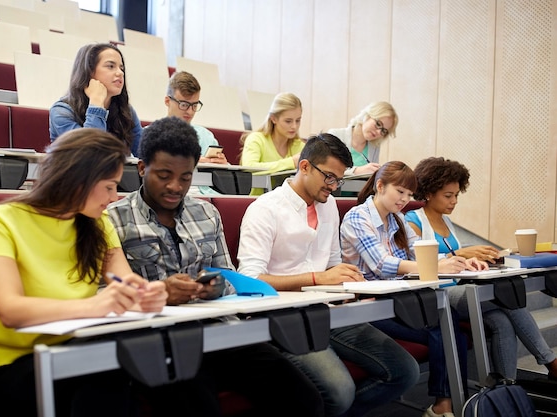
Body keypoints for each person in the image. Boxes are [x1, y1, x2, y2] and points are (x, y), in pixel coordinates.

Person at [107, 116, 324, 417]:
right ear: (142, 168)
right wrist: (161, 293)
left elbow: (231, 279)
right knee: (199, 405)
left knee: (304, 400)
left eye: (185, 177)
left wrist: (215, 287)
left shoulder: (207, 213)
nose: (175, 186)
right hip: (158, 341)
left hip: (219, 332)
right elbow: (104, 293)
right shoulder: (114, 218)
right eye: (164, 175)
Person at [0, 128, 168, 417]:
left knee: (121, 374)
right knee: (106, 382)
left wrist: (146, 297)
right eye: (109, 186)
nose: (114, 197)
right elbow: (9, 310)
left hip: (72, 352)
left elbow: (124, 287)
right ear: (78, 180)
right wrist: (92, 306)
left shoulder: (97, 222)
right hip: (4, 364)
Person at [237, 133, 420, 417]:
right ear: (305, 167)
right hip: (282, 318)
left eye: (339, 179)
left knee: (405, 371)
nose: (334, 187)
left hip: (327, 311)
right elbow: (249, 281)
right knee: (339, 391)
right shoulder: (265, 210)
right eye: (330, 178)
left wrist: (349, 282)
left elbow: (333, 264)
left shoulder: (329, 205)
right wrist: (316, 279)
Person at [340, 161, 477, 417]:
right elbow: (381, 264)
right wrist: (435, 266)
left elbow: (422, 250)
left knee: (450, 327)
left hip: (397, 301)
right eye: (400, 192)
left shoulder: (397, 219)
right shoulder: (358, 216)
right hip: (368, 306)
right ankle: (442, 406)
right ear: (380, 186)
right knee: (445, 328)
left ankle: (445, 406)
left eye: (409, 194)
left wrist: (456, 261)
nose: (405, 199)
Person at [406, 156, 557, 381]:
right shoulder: (412, 220)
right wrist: (459, 255)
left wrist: (477, 260)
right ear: (428, 192)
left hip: (458, 288)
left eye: (456, 195)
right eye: (448, 196)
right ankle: (550, 361)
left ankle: (507, 387)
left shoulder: (446, 222)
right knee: (506, 297)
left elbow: (456, 260)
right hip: (436, 293)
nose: (454, 201)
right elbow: (415, 261)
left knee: (502, 321)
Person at [49, 43, 142, 157]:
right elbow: (91, 154)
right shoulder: (62, 111)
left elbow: (144, 154)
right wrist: (96, 104)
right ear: (89, 72)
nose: (120, 73)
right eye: (110, 66)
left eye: (121, 68)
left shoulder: (126, 111)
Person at [165, 70, 227, 195]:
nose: (190, 111)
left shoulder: (206, 136)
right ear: (167, 101)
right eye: (183, 104)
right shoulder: (150, 135)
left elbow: (223, 180)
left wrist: (223, 166)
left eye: (194, 105)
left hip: (207, 197)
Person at [240, 92, 305, 195]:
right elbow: (249, 167)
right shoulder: (256, 139)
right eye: (288, 121)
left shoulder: (300, 146)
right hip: (258, 202)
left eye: (298, 120)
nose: (294, 126)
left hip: (290, 206)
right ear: (273, 118)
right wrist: (290, 162)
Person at [328, 101, 398, 175]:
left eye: (383, 130)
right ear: (367, 115)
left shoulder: (374, 147)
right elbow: (328, 171)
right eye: (378, 124)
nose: (378, 131)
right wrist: (356, 171)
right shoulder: (335, 135)